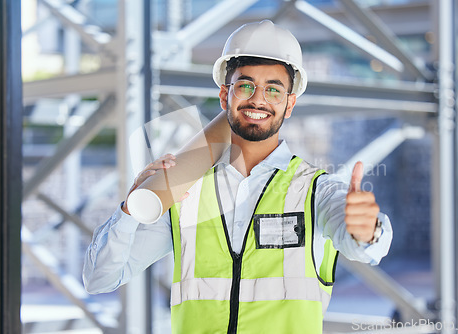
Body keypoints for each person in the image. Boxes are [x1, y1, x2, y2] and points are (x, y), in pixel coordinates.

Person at [83, 20, 392, 333]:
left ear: (289, 104)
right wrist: (128, 211)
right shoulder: (185, 194)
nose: (258, 99)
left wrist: (369, 230)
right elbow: (100, 279)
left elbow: (364, 247)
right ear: (224, 95)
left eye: (273, 89)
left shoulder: (316, 190)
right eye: (245, 85)